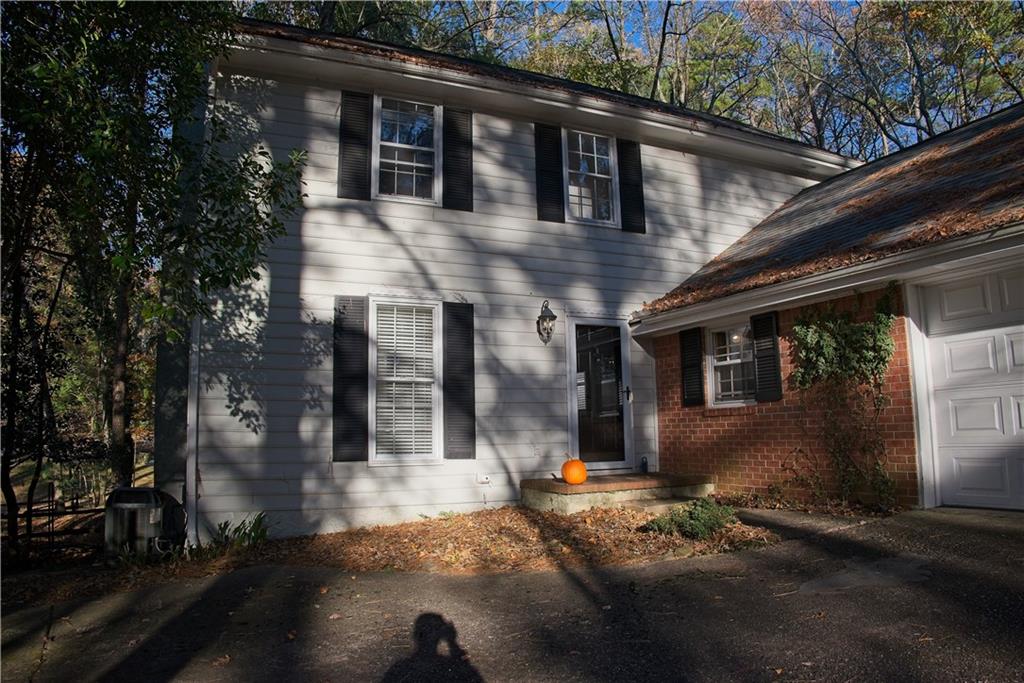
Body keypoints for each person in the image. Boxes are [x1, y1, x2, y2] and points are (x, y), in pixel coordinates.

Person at [381, 613, 484, 683]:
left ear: (415, 635)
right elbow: (473, 677)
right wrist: (452, 643)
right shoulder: (452, 669)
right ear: (443, 635)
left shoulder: (400, 670)